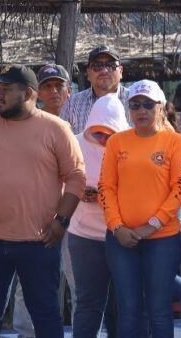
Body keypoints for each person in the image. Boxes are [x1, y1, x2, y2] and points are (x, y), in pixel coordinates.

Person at [0, 64, 86, 338]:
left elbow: (76, 177)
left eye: (6, 90)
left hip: (37, 242)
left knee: (45, 313)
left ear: (28, 93)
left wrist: (61, 221)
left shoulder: (56, 128)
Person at [101, 81, 181, 338]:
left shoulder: (174, 142)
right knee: (128, 308)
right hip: (121, 239)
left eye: (148, 104)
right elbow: (106, 187)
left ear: (161, 108)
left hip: (162, 239)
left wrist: (151, 225)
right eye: (135, 104)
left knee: (159, 309)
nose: (141, 110)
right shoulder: (116, 142)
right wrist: (117, 227)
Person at [65, 92, 129, 338]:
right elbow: (59, 181)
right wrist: (77, 192)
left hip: (121, 234)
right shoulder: (74, 143)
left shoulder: (129, 146)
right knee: (88, 303)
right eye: (97, 133)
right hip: (84, 235)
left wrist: (103, 195)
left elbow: (140, 190)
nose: (103, 139)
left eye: (109, 134)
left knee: (121, 304)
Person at [65, 46, 125, 134]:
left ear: (121, 71)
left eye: (111, 65)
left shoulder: (136, 102)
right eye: (97, 66)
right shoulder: (72, 106)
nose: (104, 70)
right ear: (88, 73)